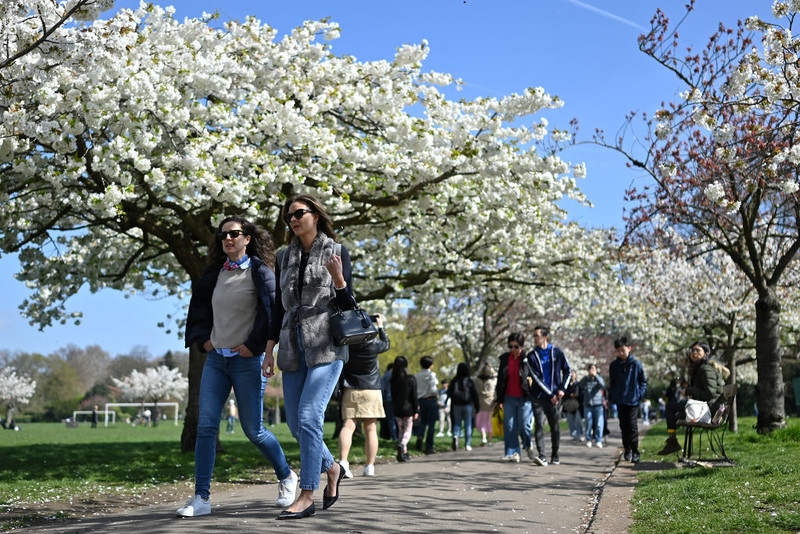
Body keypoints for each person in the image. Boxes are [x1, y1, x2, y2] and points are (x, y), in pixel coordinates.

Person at [179, 215, 296, 518]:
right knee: (206, 426)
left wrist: (254, 347)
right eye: (223, 235)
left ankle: (286, 476)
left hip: (248, 361)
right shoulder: (213, 275)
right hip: (216, 361)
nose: (228, 239)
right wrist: (203, 341)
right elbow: (199, 310)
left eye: (234, 234)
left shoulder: (260, 272)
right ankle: (201, 498)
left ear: (247, 238)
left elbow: (272, 314)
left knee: (253, 430)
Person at [263, 194, 354, 520]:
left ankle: (306, 495)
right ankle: (332, 468)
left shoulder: (337, 250)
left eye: (299, 213)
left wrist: (340, 279)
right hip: (292, 346)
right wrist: (269, 348)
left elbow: (349, 307)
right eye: (289, 216)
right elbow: (277, 307)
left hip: (327, 345)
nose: (293, 219)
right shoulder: (284, 256)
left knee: (309, 418)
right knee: (295, 424)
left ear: (316, 215)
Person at [338, 313, 391, 478]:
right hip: (371, 389)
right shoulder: (373, 344)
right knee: (371, 428)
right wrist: (381, 326)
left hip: (351, 388)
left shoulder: (347, 343)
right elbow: (386, 344)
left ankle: (343, 462)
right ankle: (369, 466)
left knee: (348, 426)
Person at [658, 342, 725, 455]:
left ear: (706, 353)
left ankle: (672, 442)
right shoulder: (700, 368)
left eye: (698, 350)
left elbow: (710, 392)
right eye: (692, 350)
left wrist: (689, 391)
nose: (694, 353)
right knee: (675, 412)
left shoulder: (705, 369)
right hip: (705, 408)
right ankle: (672, 441)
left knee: (670, 407)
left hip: (709, 410)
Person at [527, 325, 572, 466]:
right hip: (538, 397)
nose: (534, 338)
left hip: (555, 398)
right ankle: (542, 456)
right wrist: (550, 393)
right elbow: (535, 378)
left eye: (537, 336)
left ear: (545, 337)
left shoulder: (557, 353)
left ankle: (555, 455)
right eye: (533, 336)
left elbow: (568, 371)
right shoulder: (531, 356)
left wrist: (562, 389)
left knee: (555, 426)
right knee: (539, 425)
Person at [494, 333, 533, 463]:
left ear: (521, 346)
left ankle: (528, 445)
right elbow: (500, 380)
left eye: (515, 346)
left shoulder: (527, 358)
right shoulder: (505, 359)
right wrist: (499, 399)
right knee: (509, 426)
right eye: (510, 346)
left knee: (524, 425)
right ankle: (514, 452)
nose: (512, 349)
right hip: (508, 397)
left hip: (524, 397)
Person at [608, 336, 647, 463]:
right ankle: (627, 449)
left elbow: (643, 382)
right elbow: (612, 383)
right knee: (623, 427)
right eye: (618, 350)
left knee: (632, 426)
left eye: (623, 350)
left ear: (629, 348)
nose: (621, 353)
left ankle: (635, 451)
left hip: (633, 400)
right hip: (620, 400)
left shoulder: (636, 364)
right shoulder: (614, 365)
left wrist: (639, 395)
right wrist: (612, 397)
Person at [391, 356, 418, 462]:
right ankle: (402, 445)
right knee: (407, 430)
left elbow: (392, 396)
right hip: (408, 408)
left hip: (397, 408)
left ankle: (404, 453)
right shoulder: (410, 379)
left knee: (400, 430)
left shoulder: (393, 380)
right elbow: (414, 396)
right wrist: (416, 410)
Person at [447, 362, 480, 451]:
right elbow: (475, 394)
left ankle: (455, 435)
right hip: (467, 404)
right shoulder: (469, 381)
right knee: (468, 424)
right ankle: (467, 444)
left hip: (456, 404)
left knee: (457, 423)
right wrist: (477, 406)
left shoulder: (454, 381)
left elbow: (449, 393)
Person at [413, 356, 439, 454]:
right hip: (430, 400)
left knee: (422, 422)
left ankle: (420, 436)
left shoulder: (416, 376)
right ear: (431, 365)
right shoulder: (432, 375)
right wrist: (436, 396)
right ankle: (429, 446)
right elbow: (433, 388)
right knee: (431, 424)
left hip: (420, 401)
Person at [579, 363, 605, 448]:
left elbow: (603, 385)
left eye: (594, 369)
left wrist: (596, 376)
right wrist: (587, 377)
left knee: (599, 424)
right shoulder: (585, 379)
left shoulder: (599, 378)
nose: (592, 371)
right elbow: (580, 386)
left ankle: (598, 440)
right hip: (588, 404)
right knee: (588, 423)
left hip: (598, 404)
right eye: (590, 369)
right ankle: (588, 439)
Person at [473, 362, 498, 445]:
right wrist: (491, 369)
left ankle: (484, 438)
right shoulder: (493, 381)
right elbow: (496, 374)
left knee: (482, 421)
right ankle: (490, 440)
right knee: (489, 422)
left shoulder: (478, 380)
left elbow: (475, 375)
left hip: (481, 402)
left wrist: (482, 368)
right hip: (490, 403)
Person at [563, 370, 583, 441]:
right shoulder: (566, 385)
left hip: (577, 405)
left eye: (573, 374)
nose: (572, 376)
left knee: (578, 420)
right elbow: (564, 394)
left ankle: (580, 434)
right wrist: (570, 395)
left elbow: (581, 394)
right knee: (570, 421)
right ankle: (574, 435)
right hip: (569, 405)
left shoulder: (578, 384)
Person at [380, 363, 398, 441]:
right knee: (399, 419)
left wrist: (382, 399)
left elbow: (382, 388)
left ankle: (394, 438)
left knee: (391, 419)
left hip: (389, 399)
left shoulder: (386, 375)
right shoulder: (400, 373)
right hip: (399, 399)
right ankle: (402, 437)